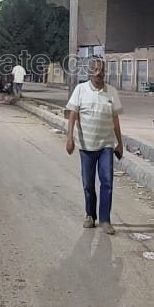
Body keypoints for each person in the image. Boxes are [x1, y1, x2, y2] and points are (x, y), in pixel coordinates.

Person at [65, 59, 124, 235]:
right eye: (96, 69)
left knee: (107, 182)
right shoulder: (80, 89)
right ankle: (90, 215)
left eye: (102, 70)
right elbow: (73, 115)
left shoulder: (111, 92)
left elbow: (115, 119)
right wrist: (69, 138)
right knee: (88, 183)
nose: (99, 73)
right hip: (87, 145)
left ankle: (105, 220)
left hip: (106, 144)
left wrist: (120, 143)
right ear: (90, 72)